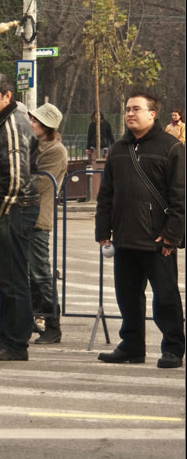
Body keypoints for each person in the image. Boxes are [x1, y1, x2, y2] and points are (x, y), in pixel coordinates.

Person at [95, 91, 185, 369]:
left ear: (152, 114)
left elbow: (180, 196)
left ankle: (173, 349)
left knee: (166, 297)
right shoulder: (118, 149)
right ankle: (132, 346)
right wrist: (103, 230)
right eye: (127, 109)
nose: (130, 114)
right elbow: (106, 194)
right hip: (124, 237)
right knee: (127, 297)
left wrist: (171, 235)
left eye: (136, 109)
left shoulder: (171, 147)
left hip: (157, 239)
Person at [0, 73, 40, 361]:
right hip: (11, 208)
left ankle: (15, 343)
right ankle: (8, 338)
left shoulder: (13, 124)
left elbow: (16, 176)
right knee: (6, 278)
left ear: (7, 96)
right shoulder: (0, 122)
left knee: (13, 278)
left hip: (15, 209)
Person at [27, 103, 68, 344]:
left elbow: (41, 183)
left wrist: (17, 178)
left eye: (35, 121)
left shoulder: (56, 150)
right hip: (24, 215)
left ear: (47, 126)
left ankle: (53, 325)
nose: (31, 123)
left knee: (41, 272)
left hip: (38, 217)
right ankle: (31, 318)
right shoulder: (33, 145)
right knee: (26, 273)